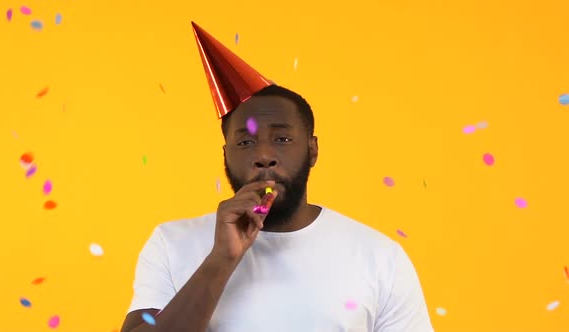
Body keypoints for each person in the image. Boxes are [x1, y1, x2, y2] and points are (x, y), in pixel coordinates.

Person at [120, 22, 434, 332]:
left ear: (312, 150)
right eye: (246, 142)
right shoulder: (171, 243)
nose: (264, 155)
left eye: (282, 139)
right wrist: (221, 259)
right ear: (225, 154)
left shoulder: (380, 258)